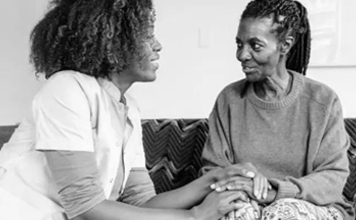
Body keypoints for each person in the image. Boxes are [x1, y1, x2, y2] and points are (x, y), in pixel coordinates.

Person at [0, 0, 250, 219]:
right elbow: (86, 206)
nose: (158, 45)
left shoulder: (129, 109)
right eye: (147, 36)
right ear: (112, 44)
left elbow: (141, 203)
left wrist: (213, 180)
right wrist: (195, 216)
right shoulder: (66, 89)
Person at [201, 0, 355, 219]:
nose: (242, 55)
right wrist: (247, 188)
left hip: (317, 207)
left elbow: (333, 177)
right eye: (239, 44)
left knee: (281, 213)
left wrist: (275, 192)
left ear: (285, 46)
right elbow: (213, 172)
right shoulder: (229, 100)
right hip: (248, 202)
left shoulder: (323, 101)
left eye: (255, 45)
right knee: (236, 212)